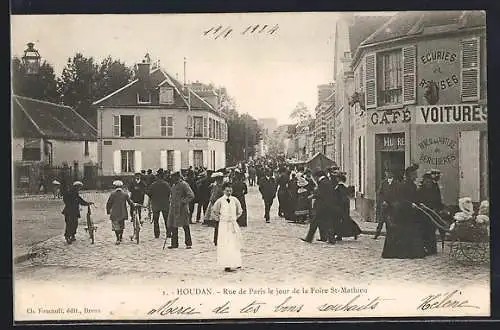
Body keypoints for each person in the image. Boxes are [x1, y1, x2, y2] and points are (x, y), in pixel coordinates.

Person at [382, 164, 426, 259]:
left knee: (411, 232)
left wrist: (419, 203)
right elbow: (401, 199)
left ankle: (413, 252)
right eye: (415, 174)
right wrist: (410, 204)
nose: (417, 176)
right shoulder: (405, 185)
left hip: (410, 213)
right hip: (403, 213)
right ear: (410, 175)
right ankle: (404, 253)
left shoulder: (412, 185)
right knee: (405, 233)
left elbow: (413, 198)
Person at [211, 182, 243, 272]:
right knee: (225, 243)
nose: (229, 192)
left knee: (234, 243)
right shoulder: (220, 201)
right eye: (227, 190)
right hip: (224, 225)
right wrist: (220, 219)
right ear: (223, 191)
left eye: (230, 190)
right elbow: (214, 211)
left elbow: (240, 210)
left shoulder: (235, 200)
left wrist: (234, 218)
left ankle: (236, 262)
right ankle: (226, 264)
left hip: (232, 224)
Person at [301, 171, 337, 244]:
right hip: (327, 205)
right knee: (327, 222)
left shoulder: (322, 183)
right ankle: (328, 238)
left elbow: (321, 194)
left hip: (321, 205)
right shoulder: (327, 181)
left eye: (314, 177)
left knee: (315, 222)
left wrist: (313, 195)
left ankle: (309, 238)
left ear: (317, 176)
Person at [167, 171, 195, 249]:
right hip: (174, 209)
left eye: (173, 177)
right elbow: (172, 196)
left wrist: (183, 202)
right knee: (173, 226)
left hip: (182, 209)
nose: (172, 179)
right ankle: (174, 244)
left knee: (185, 226)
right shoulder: (173, 186)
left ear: (177, 177)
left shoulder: (184, 184)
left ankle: (188, 243)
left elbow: (191, 195)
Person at [417, 172, 443, 256]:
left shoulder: (435, 189)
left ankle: (432, 248)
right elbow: (418, 200)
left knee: (431, 230)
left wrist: (436, 209)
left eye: (429, 181)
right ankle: (425, 247)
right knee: (424, 230)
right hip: (423, 212)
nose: (427, 183)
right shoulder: (421, 189)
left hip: (433, 212)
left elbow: (438, 201)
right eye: (426, 181)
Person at [334, 173, 361, 240]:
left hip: (341, 205)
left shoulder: (340, 186)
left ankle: (354, 232)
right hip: (345, 204)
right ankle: (352, 232)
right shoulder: (345, 186)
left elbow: (340, 197)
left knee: (341, 220)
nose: (336, 179)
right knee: (345, 219)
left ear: (339, 179)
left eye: (337, 178)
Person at [106, 180, 134, 245]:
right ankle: (121, 237)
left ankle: (117, 238)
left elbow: (109, 203)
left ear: (114, 187)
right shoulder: (125, 194)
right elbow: (130, 202)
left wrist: (108, 210)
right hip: (123, 212)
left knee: (116, 225)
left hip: (115, 212)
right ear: (121, 186)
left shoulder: (112, 194)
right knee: (122, 225)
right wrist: (134, 205)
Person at [374, 169, 397, 239]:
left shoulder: (396, 183)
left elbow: (397, 194)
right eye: (386, 173)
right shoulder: (383, 183)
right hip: (384, 205)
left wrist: (394, 202)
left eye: (389, 173)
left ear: (392, 174)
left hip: (392, 205)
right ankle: (377, 233)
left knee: (390, 220)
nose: (388, 174)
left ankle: (389, 234)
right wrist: (383, 201)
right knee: (381, 220)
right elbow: (379, 193)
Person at [148, 170, 172, 239]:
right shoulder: (166, 184)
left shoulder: (153, 185)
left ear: (157, 177)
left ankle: (156, 234)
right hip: (165, 204)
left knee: (156, 220)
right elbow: (170, 193)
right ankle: (169, 233)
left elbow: (149, 193)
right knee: (167, 219)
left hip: (156, 205)